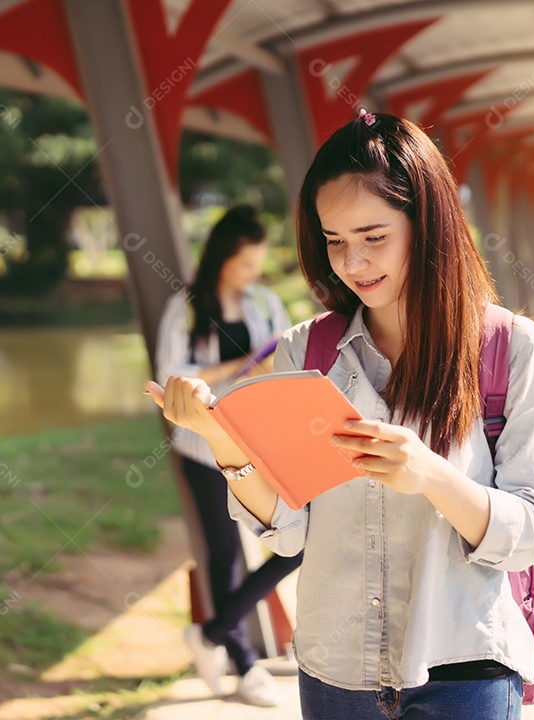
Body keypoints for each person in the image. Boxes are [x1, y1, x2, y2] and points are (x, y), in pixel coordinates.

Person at [147, 112, 534, 719]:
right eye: (334, 241)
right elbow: (289, 529)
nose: (352, 263)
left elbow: (532, 531)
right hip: (336, 678)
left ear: (427, 225)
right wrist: (221, 438)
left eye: (373, 237)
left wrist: (431, 476)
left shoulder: (510, 350)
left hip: (465, 668)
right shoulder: (305, 351)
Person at [154, 204, 302, 708]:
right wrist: (240, 367)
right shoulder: (186, 307)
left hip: (260, 439)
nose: (251, 276)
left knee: (297, 540)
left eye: (256, 266)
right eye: (244, 265)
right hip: (202, 444)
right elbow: (172, 372)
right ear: (221, 259)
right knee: (226, 556)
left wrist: (265, 372)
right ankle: (243, 662)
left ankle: (212, 632)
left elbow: (287, 358)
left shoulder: (264, 301)